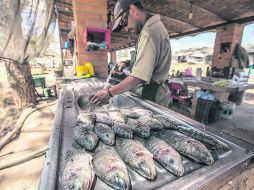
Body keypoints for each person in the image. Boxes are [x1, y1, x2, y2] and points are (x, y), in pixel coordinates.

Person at [91, 0, 171, 107]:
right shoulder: (155, 27)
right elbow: (152, 61)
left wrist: (109, 93)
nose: (126, 28)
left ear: (133, 10)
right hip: (154, 93)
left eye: (124, 22)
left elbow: (138, 77)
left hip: (152, 95)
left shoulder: (149, 33)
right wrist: (128, 62)